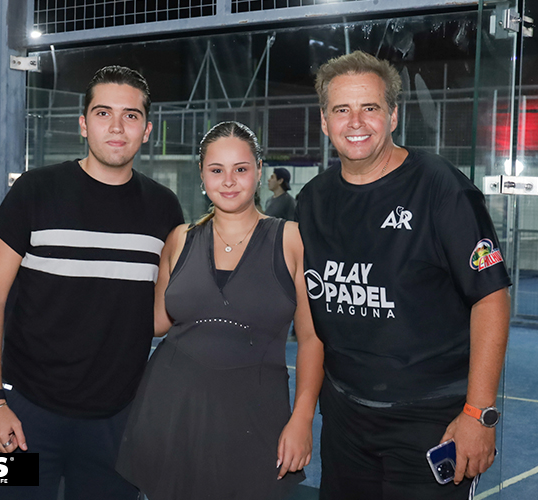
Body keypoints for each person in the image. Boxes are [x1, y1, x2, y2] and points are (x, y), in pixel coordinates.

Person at [296, 50, 511, 499]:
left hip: (430, 420)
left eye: (370, 108)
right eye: (342, 110)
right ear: (324, 121)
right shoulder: (312, 201)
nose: (356, 122)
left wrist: (479, 413)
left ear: (393, 116)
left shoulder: (442, 188)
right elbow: (311, 321)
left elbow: (490, 298)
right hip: (345, 419)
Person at [0, 66, 184, 500]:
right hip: (24, 412)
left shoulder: (165, 208)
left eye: (131, 115)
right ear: (84, 124)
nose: (117, 126)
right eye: (104, 113)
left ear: (146, 130)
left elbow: (157, 317)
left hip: (118, 422)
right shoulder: (35, 190)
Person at [116, 121, 324, 500]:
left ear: (258, 170)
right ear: (202, 174)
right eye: (216, 170)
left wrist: (303, 418)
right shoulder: (180, 239)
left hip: (254, 418)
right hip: (170, 410)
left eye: (240, 169)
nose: (228, 181)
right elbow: (157, 322)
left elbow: (312, 338)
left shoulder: (291, 239)